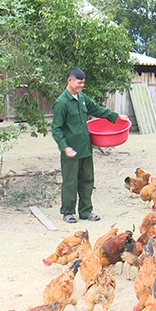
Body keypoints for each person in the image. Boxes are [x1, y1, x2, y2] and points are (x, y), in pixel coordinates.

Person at [51, 68, 128, 223]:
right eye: (79, 83)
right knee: (70, 182)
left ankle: (86, 211)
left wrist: (115, 116)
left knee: (87, 180)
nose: (81, 86)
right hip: (70, 151)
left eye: (83, 83)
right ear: (70, 81)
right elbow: (56, 128)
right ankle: (68, 212)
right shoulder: (62, 103)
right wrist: (65, 147)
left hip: (85, 148)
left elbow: (97, 110)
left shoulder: (83, 98)